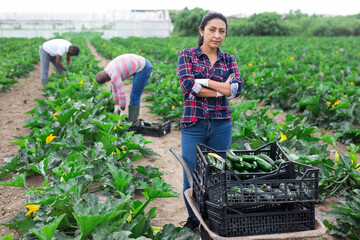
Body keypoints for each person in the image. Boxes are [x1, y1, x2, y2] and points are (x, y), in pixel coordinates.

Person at [176, 12, 243, 231]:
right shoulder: (187, 55)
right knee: (192, 173)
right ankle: (194, 218)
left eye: (221, 31)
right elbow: (188, 86)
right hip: (193, 124)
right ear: (202, 31)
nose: (217, 35)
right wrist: (220, 89)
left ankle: (212, 217)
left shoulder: (228, 59)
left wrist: (204, 81)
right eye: (212, 29)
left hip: (221, 124)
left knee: (217, 172)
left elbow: (235, 89)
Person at [95, 54, 153, 122]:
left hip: (144, 67)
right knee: (134, 95)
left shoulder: (114, 75)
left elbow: (121, 93)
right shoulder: (108, 70)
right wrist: (116, 106)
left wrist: (122, 110)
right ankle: (132, 120)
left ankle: (133, 122)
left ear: (106, 81)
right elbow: (114, 89)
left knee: (134, 96)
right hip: (139, 64)